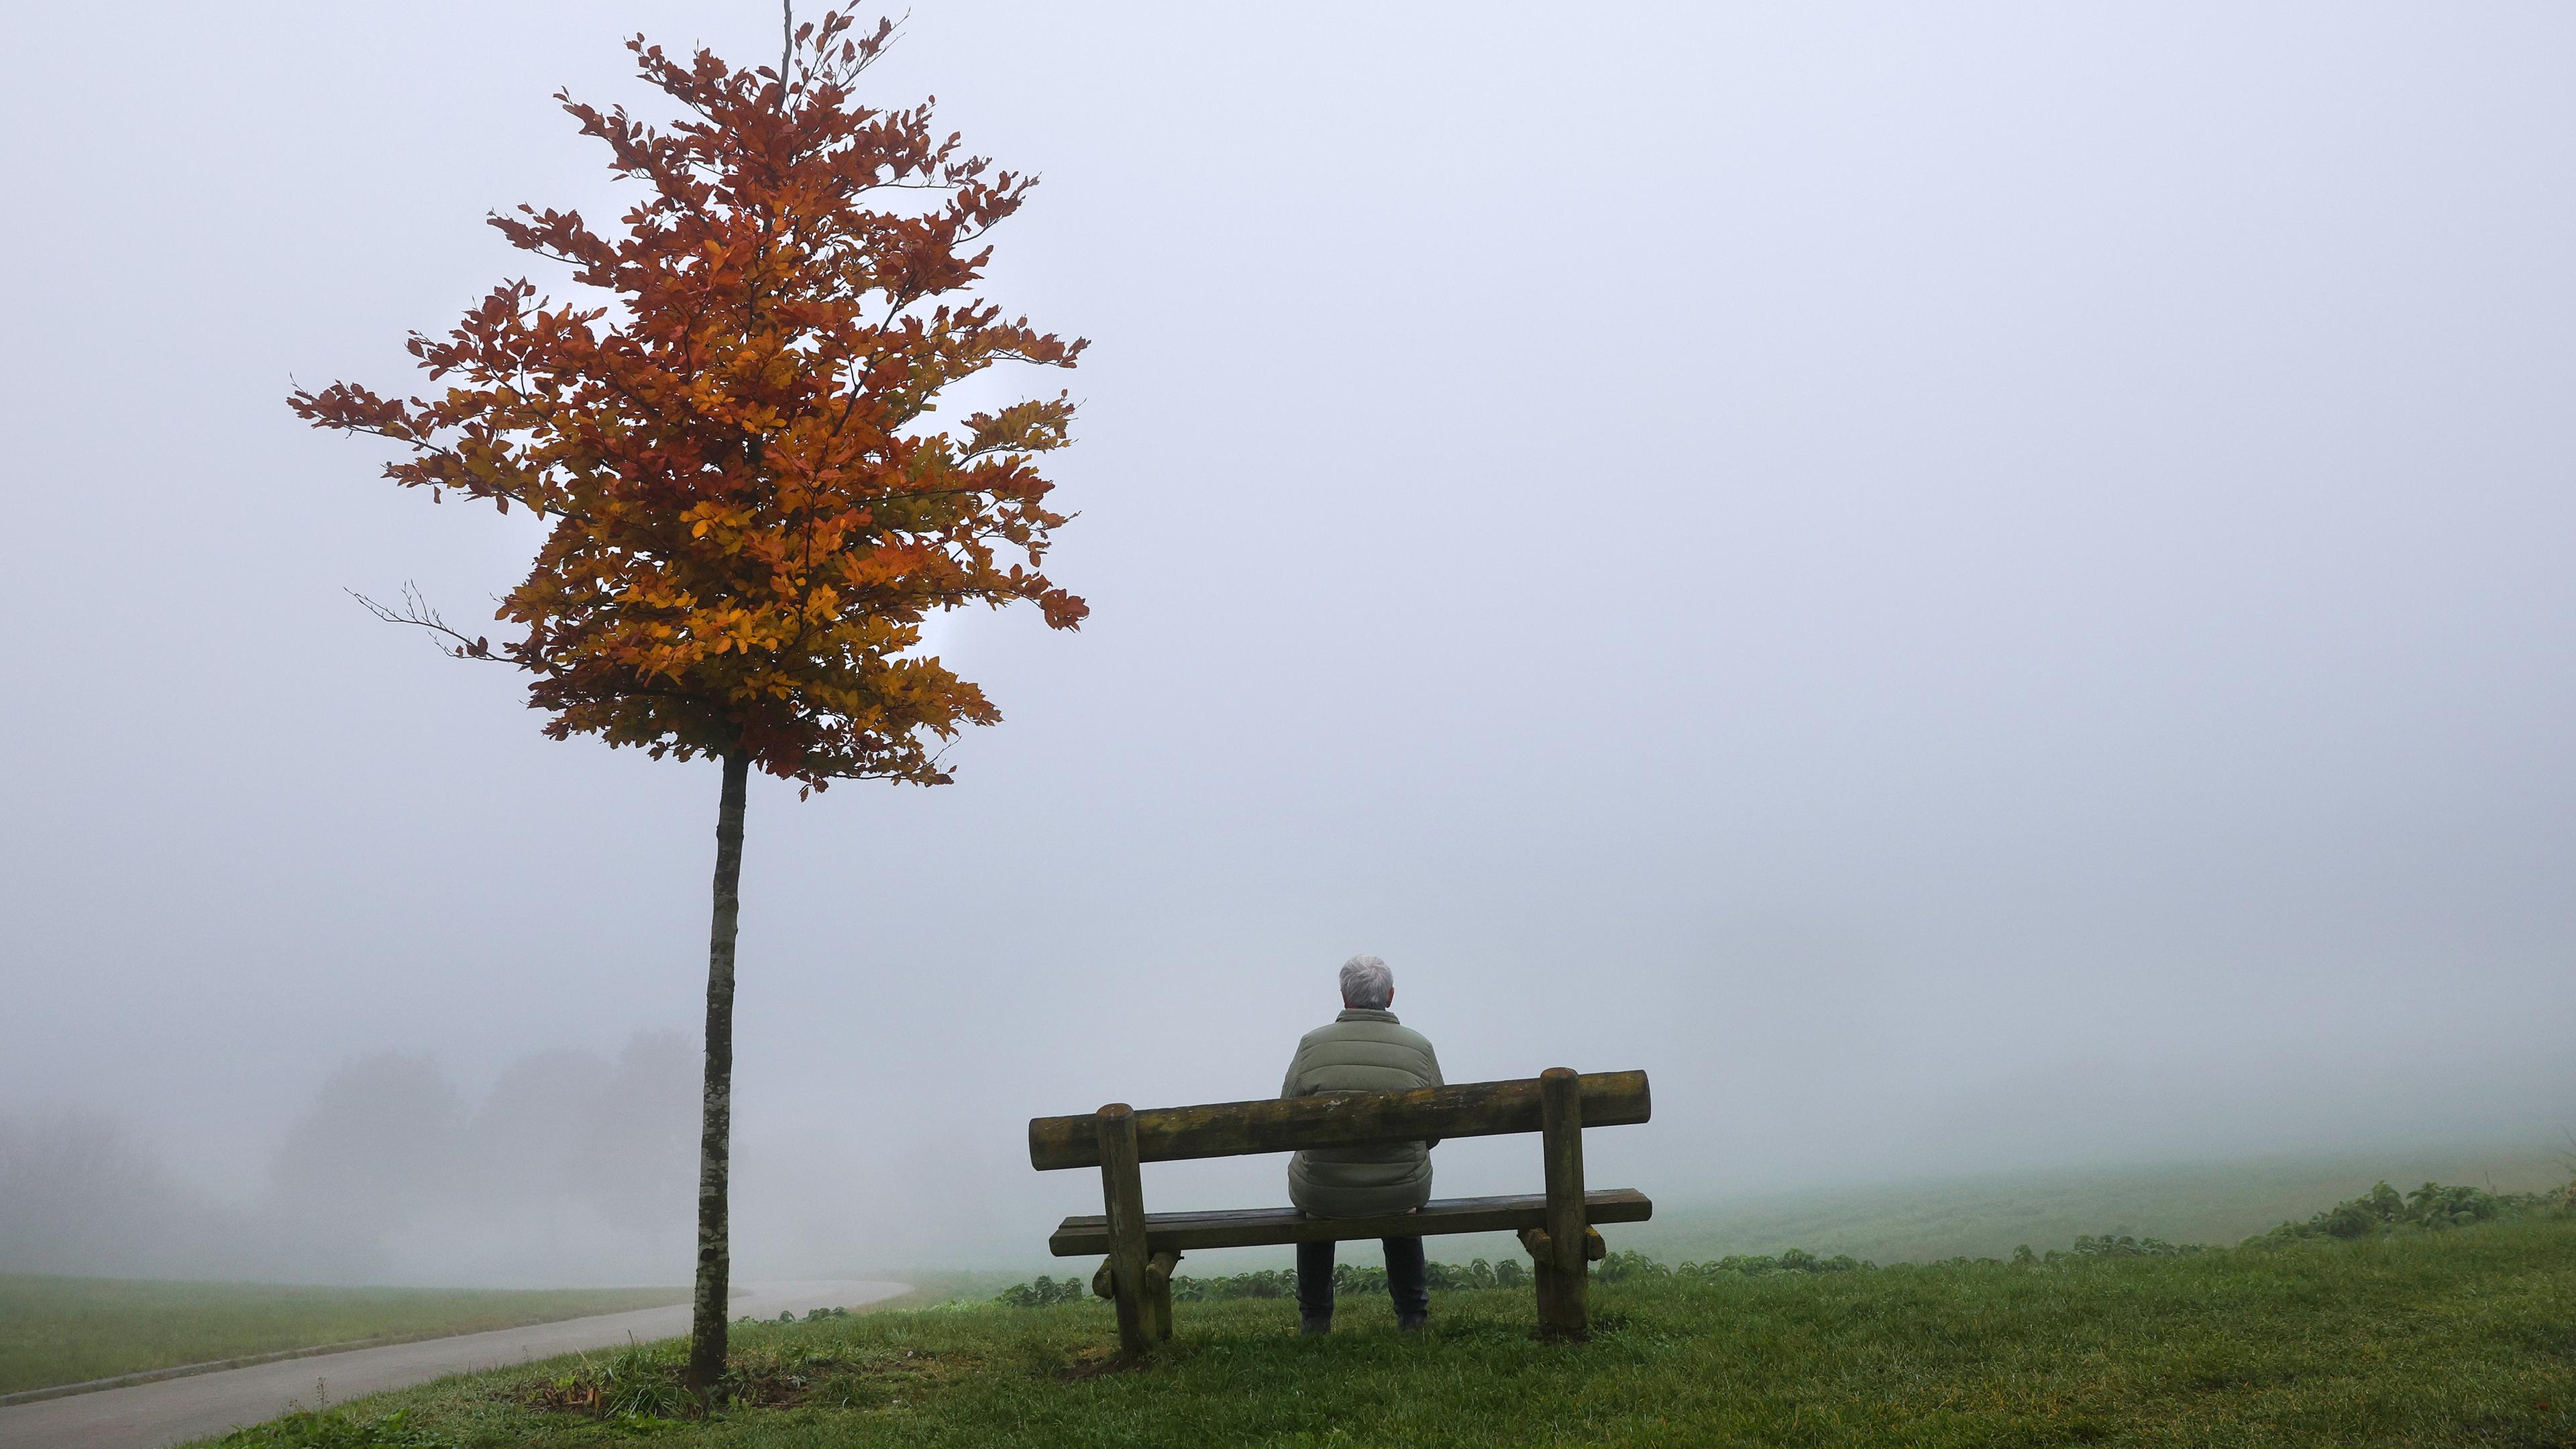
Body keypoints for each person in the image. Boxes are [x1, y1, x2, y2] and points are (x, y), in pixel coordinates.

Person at [1280, 954, 1444, 1334]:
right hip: (1400, 1190)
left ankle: (1316, 1318)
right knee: (1399, 1189)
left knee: (1316, 1198)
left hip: (1324, 1193)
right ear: (1390, 995)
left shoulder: (1311, 1046)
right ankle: (1412, 1315)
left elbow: (1286, 1122)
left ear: (1343, 995)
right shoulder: (1418, 1048)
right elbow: (1435, 1128)